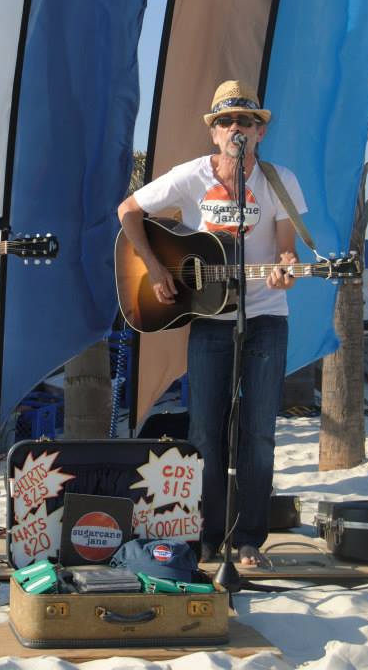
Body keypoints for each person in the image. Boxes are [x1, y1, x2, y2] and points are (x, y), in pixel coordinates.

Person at [117, 80, 307, 567]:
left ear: (259, 132)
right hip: (208, 318)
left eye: (245, 121)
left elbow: (287, 245)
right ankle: (205, 535)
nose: (235, 128)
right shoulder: (191, 176)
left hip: (265, 316)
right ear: (214, 132)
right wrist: (156, 268)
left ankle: (248, 539)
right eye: (226, 121)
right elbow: (129, 211)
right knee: (205, 428)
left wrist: (287, 265)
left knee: (259, 429)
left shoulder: (278, 180)